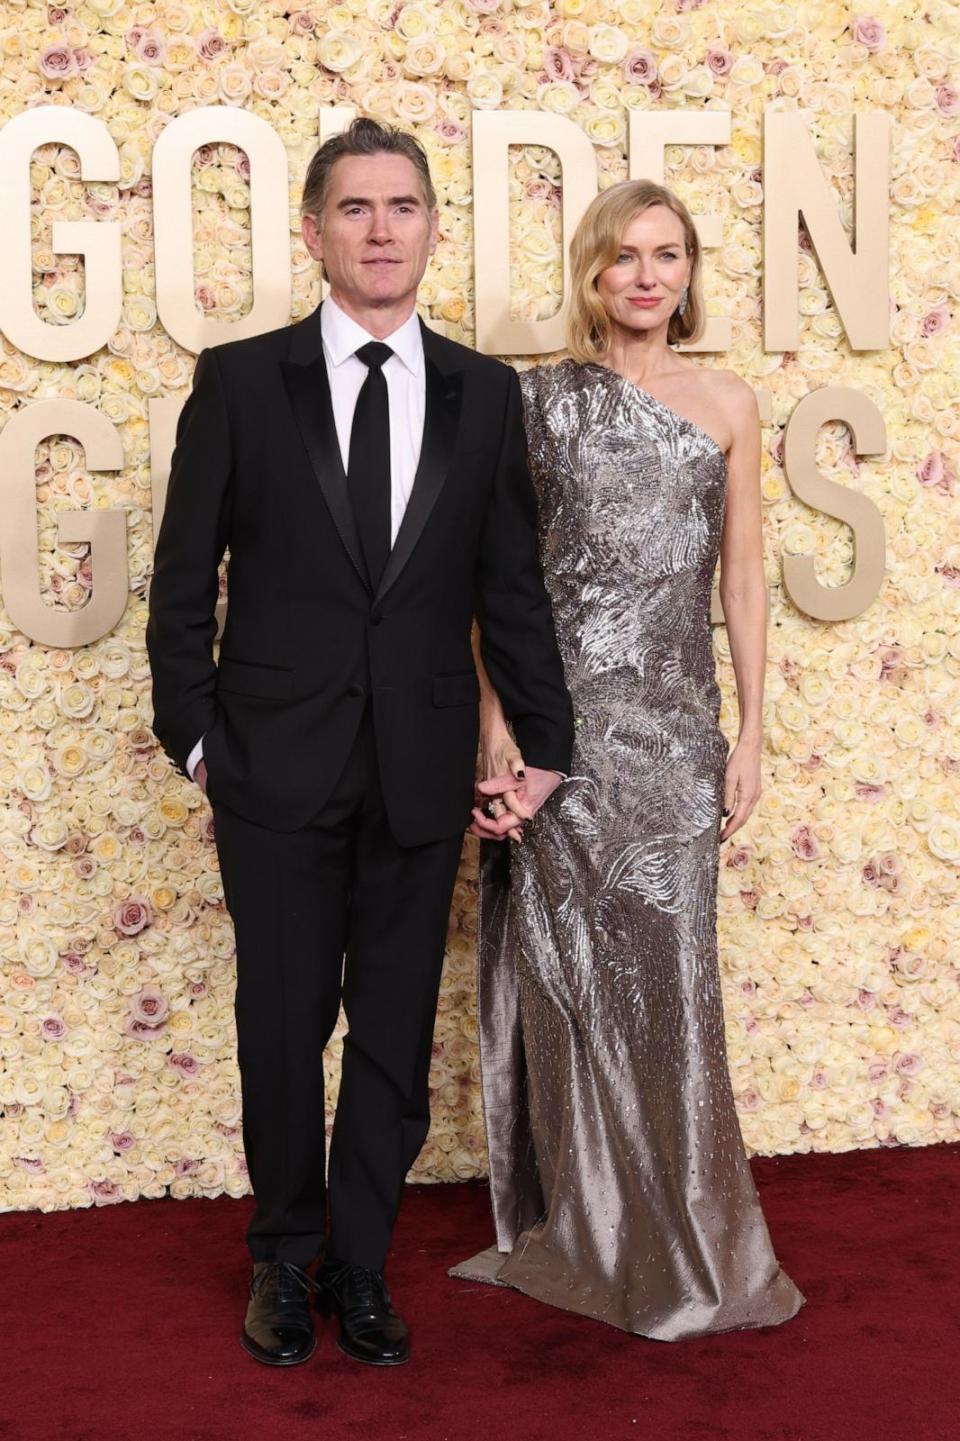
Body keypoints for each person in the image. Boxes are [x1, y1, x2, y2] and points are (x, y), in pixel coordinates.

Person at [147, 118, 573, 1368]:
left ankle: (362, 1265)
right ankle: (282, 1257)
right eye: (356, 209)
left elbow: (513, 587)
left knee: (391, 1030)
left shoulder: (487, 395)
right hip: (269, 768)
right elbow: (182, 587)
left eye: (404, 207)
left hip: (421, 769)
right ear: (314, 229)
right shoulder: (239, 380)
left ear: (434, 227)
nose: (382, 229)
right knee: (281, 1024)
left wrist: (541, 745)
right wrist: (198, 741)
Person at [458, 180, 804, 1339]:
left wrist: (752, 731)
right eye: (623, 257)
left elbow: (742, 576)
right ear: (591, 273)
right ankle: (597, 1228)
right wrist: (497, 725)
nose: (646, 276)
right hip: (559, 737)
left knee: (672, 985)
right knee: (569, 986)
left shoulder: (728, 401)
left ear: (689, 271)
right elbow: (497, 584)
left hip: (672, 735)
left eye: (667, 255)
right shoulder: (536, 403)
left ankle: (695, 1239)